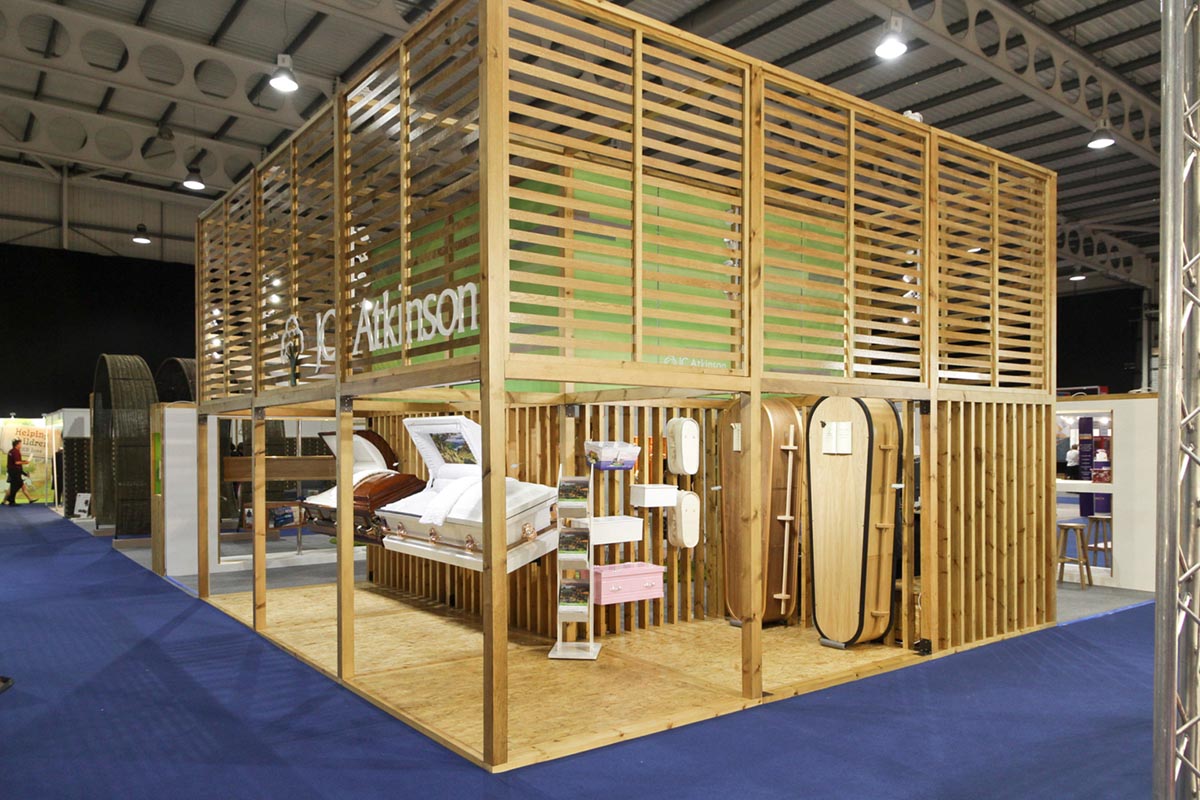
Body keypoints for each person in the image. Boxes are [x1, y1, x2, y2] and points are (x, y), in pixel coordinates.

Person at [5, 438, 26, 506]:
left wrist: (23, 461)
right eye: (20, 444)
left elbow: (15, 461)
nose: (21, 445)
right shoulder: (16, 452)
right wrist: (25, 462)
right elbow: (16, 462)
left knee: (14, 485)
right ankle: (10, 498)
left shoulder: (11, 451)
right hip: (15, 471)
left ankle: (11, 501)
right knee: (19, 484)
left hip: (12, 470)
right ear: (17, 445)